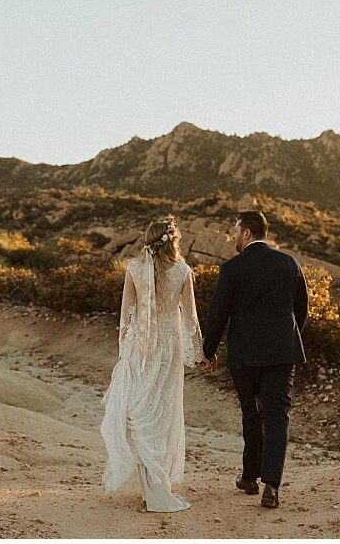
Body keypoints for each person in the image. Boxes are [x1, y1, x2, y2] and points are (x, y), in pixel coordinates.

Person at [200, 210, 309, 509]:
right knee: (277, 416)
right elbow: (302, 308)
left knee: (252, 414)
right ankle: (271, 485)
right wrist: (287, 337)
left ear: (246, 233)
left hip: (244, 355)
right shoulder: (289, 263)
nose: (232, 236)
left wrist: (208, 351)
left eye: (235, 230)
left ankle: (250, 477)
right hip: (282, 352)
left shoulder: (232, 268)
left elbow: (218, 316)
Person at [100, 218, 201, 512]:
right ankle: (156, 490)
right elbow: (191, 318)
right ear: (172, 241)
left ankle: (152, 491)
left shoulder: (133, 269)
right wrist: (197, 354)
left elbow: (126, 316)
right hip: (168, 348)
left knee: (140, 414)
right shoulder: (183, 271)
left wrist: (125, 353)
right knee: (162, 414)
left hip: (140, 349)